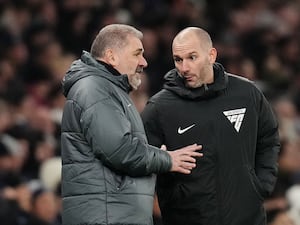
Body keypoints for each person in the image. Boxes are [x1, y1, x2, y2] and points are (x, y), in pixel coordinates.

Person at [60, 24, 203, 225]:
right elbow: (119, 150)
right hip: (106, 217)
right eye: (137, 54)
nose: (144, 62)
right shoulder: (94, 89)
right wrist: (167, 159)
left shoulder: (107, 89)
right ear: (111, 56)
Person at [141, 27, 281, 225]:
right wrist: (169, 194)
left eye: (192, 57)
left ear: (211, 55)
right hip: (186, 218)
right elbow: (141, 156)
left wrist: (261, 185)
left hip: (247, 217)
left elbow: (269, 137)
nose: (184, 68)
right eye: (178, 59)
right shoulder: (160, 107)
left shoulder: (246, 93)